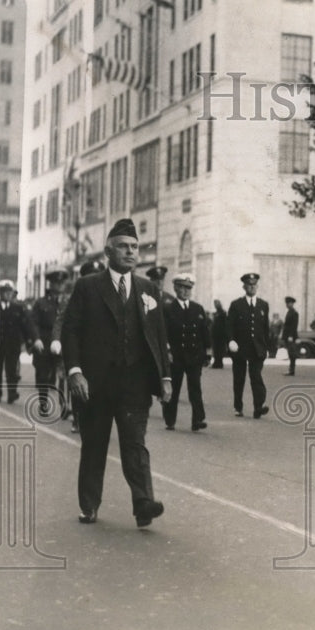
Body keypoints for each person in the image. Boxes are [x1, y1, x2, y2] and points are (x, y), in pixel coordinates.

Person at [61, 219, 171, 528]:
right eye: (123, 246)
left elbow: (159, 336)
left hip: (134, 384)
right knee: (94, 446)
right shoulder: (88, 286)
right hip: (95, 384)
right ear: (108, 250)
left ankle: (144, 504)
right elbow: (71, 330)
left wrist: (165, 377)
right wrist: (75, 371)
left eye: (135, 247)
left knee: (135, 445)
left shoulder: (148, 289)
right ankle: (89, 505)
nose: (130, 252)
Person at [53, 259, 104, 432]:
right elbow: (61, 320)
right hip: (79, 348)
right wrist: (57, 340)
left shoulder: (108, 296)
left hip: (101, 349)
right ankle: (78, 418)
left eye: (97, 275)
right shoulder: (71, 297)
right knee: (78, 383)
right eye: (90, 276)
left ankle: (95, 419)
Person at [163, 273, 211, 432]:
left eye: (188, 288)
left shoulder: (197, 309)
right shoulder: (169, 309)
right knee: (174, 388)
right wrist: (167, 351)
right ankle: (170, 419)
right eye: (182, 287)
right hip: (175, 356)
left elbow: (205, 332)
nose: (185, 291)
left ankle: (198, 419)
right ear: (175, 288)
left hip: (194, 356)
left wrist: (208, 352)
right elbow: (163, 333)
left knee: (195, 388)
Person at [226, 272, 270, 418]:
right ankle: (238, 407)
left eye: (254, 285)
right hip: (240, 348)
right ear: (244, 286)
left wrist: (267, 347)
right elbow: (229, 326)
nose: (251, 287)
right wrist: (231, 340)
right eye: (249, 285)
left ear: (257, 286)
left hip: (257, 348)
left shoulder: (263, 305)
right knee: (239, 378)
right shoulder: (236, 304)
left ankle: (259, 406)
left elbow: (265, 329)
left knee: (256, 376)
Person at [0, 279, 40, 404]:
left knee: (11, 370)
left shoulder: (18, 308)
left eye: (9, 292)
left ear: (12, 293)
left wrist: (33, 339)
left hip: (13, 344)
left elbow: (27, 325)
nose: (7, 294)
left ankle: (12, 393)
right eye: (4, 292)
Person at [31, 269, 69, 416]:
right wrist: (36, 339)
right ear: (50, 284)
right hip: (44, 343)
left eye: (61, 283)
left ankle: (64, 406)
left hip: (62, 343)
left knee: (62, 375)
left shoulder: (68, 301)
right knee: (43, 375)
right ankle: (43, 403)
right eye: (56, 283)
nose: (59, 286)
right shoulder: (41, 303)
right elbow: (34, 323)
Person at [281, 296, 299, 376]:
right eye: (287, 303)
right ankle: (291, 370)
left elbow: (294, 326)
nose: (287, 305)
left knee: (292, 353)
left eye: (288, 303)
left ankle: (292, 370)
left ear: (292, 304)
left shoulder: (294, 313)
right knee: (290, 353)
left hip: (290, 337)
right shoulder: (289, 312)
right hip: (287, 336)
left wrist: (291, 336)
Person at [210, 299, 227, 368]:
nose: (215, 305)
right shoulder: (216, 313)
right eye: (215, 304)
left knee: (220, 349)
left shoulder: (223, 313)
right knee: (215, 349)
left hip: (221, 334)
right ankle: (216, 362)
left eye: (216, 304)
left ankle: (219, 363)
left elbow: (225, 323)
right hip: (215, 334)